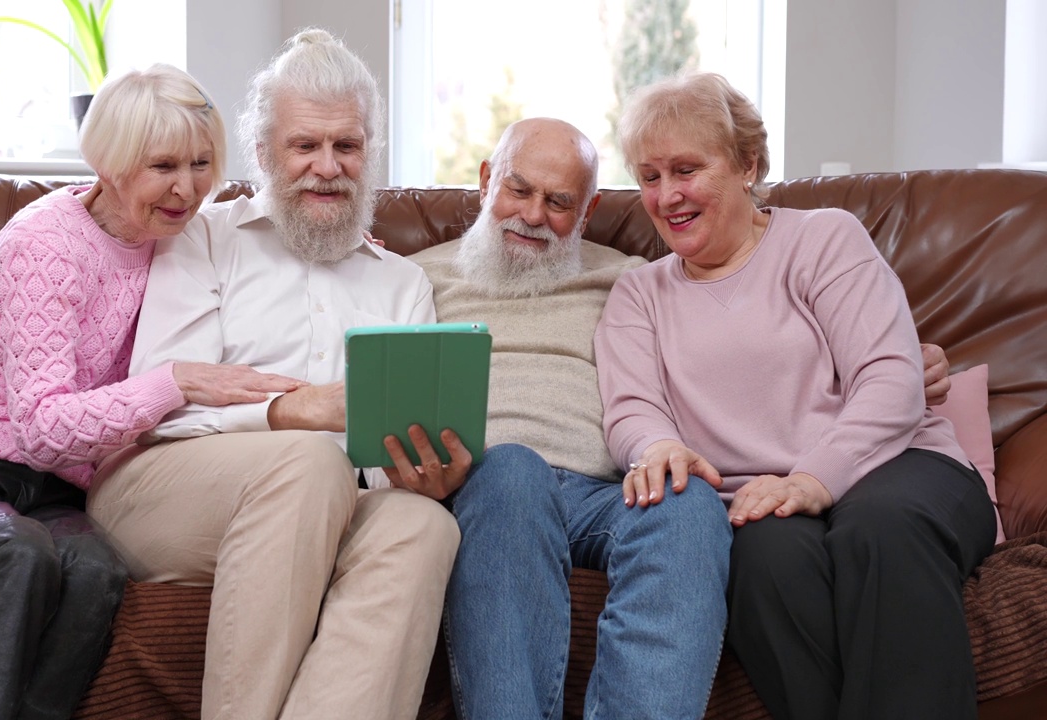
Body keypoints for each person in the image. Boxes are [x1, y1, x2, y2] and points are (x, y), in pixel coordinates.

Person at [407, 117, 961, 720]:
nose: (535, 215)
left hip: (604, 490)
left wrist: (909, 358)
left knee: (690, 501)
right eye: (518, 190)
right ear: (487, 181)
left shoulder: (630, 280)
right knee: (513, 467)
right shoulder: (415, 279)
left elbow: (736, 333)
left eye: (560, 201)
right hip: (489, 482)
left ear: (587, 212)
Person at [0, 64, 302, 720]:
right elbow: (42, 427)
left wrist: (331, 251)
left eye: (203, 163)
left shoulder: (177, 235)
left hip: (52, 488)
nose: (188, 188)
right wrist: (171, 383)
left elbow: (262, 228)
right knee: (16, 553)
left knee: (97, 574)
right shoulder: (44, 247)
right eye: (164, 166)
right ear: (113, 164)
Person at [86, 30, 465, 720]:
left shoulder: (404, 286)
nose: (328, 167)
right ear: (263, 153)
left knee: (423, 525)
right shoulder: (202, 236)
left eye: (346, 146)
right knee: (308, 464)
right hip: (164, 491)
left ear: (368, 154)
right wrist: (292, 415)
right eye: (304, 146)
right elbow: (161, 407)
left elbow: (381, 463)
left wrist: (420, 473)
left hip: (323, 505)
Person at [595, 72, 996, 720]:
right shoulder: (639, 295)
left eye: (686, 169)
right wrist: (657, 445)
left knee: (879, 531)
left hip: (900, 466)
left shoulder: (823, 240)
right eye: (649, 176)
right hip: (757, 500)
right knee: (765, 567)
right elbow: (631, 408)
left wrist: (815, 478)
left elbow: (891, 377)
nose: (667, 196)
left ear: (747, 164)